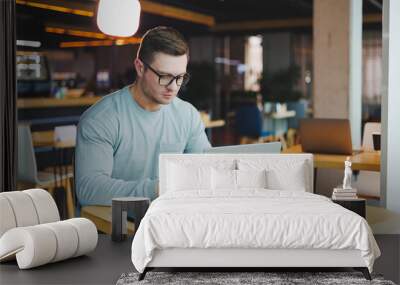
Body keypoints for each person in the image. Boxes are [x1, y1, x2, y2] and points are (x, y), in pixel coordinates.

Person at [75, 26, 211, 206]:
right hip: (117, 224)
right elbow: (90, 189)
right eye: (164, 76)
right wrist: (157, 189)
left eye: (180, 77)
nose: (173, 86)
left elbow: (206, 171)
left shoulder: (188, 115)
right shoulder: (101, 118)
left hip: (170, 218)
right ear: (140, 68)